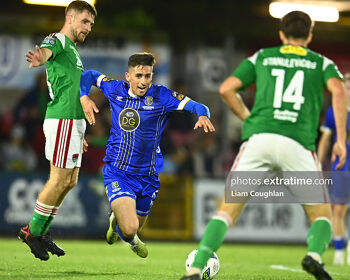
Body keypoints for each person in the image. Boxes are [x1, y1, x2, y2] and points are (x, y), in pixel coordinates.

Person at [181, 11, 347, 280]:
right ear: (310, 35)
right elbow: (339, 91)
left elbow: (226, 89)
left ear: (281, 34)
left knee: (226, 211)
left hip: (259, 140)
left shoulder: (263, 56)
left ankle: (196, 269)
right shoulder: (321, 63)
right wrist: (340, 139)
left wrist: (249, 118)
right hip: (298, 143)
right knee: (321, 216)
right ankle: (314, 256)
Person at [79, 52, 215, 258]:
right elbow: (88, 75)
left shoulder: (162, 96)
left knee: (132, 227)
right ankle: (129, 234)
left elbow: (198, 105)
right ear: (128, 76)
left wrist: (203, 114)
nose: (143, 81)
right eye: (138, 76)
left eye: (148, 76)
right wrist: (84, 96)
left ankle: (116, 221)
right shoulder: (115, 88)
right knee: (131, 229)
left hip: (148, 176)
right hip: (119, 172)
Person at [18, 0, 97, 261]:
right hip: (62, 120)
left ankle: (41, 231)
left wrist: (80, 132)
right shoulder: (59, 40)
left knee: (70, 181)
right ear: (70, 17)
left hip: (73, 123)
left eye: (91, 24)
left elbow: (72, 87)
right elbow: (46, 49)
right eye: (85, 21)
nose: (88, 27)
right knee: (58, 179)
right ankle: (33, 232)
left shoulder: (72, 49)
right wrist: (41, 57)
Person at [318, 72, 350, 265]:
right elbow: (325, 139)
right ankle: (339, 250)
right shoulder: (333, 112)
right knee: (338, 210)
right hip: (340, 165)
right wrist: (317, 164)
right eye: (346, 87)